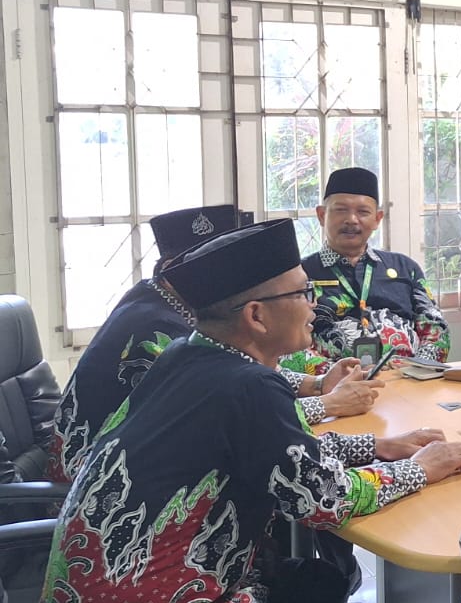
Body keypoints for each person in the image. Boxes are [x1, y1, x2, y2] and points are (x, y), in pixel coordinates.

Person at [39, 219, 461, 603]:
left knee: (322, 586)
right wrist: (421, 468)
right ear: (256, 316)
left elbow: (277, 451)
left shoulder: (188, 354)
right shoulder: (248, 386)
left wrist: (377, 446)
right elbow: (324, 500)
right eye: (303, 293)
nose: (315, 305)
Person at [49, 205, 378, 484]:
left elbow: (234, 378)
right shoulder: (158, 331)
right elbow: (245, 418)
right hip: (100, 476)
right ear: (175, 269)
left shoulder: (159, 301)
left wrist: (314, 384)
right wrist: (330, 403)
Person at [287, 167, 451, 374]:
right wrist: (334, 375)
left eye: (363, 212)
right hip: (334, 386)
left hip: (407, 380)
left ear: (377, 219)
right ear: (321, 215)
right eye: (341, 210)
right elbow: (285, 343)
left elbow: (436, 330)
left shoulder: (405, 268)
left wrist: (416, 368)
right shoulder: (298, 275)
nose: (352, 219)